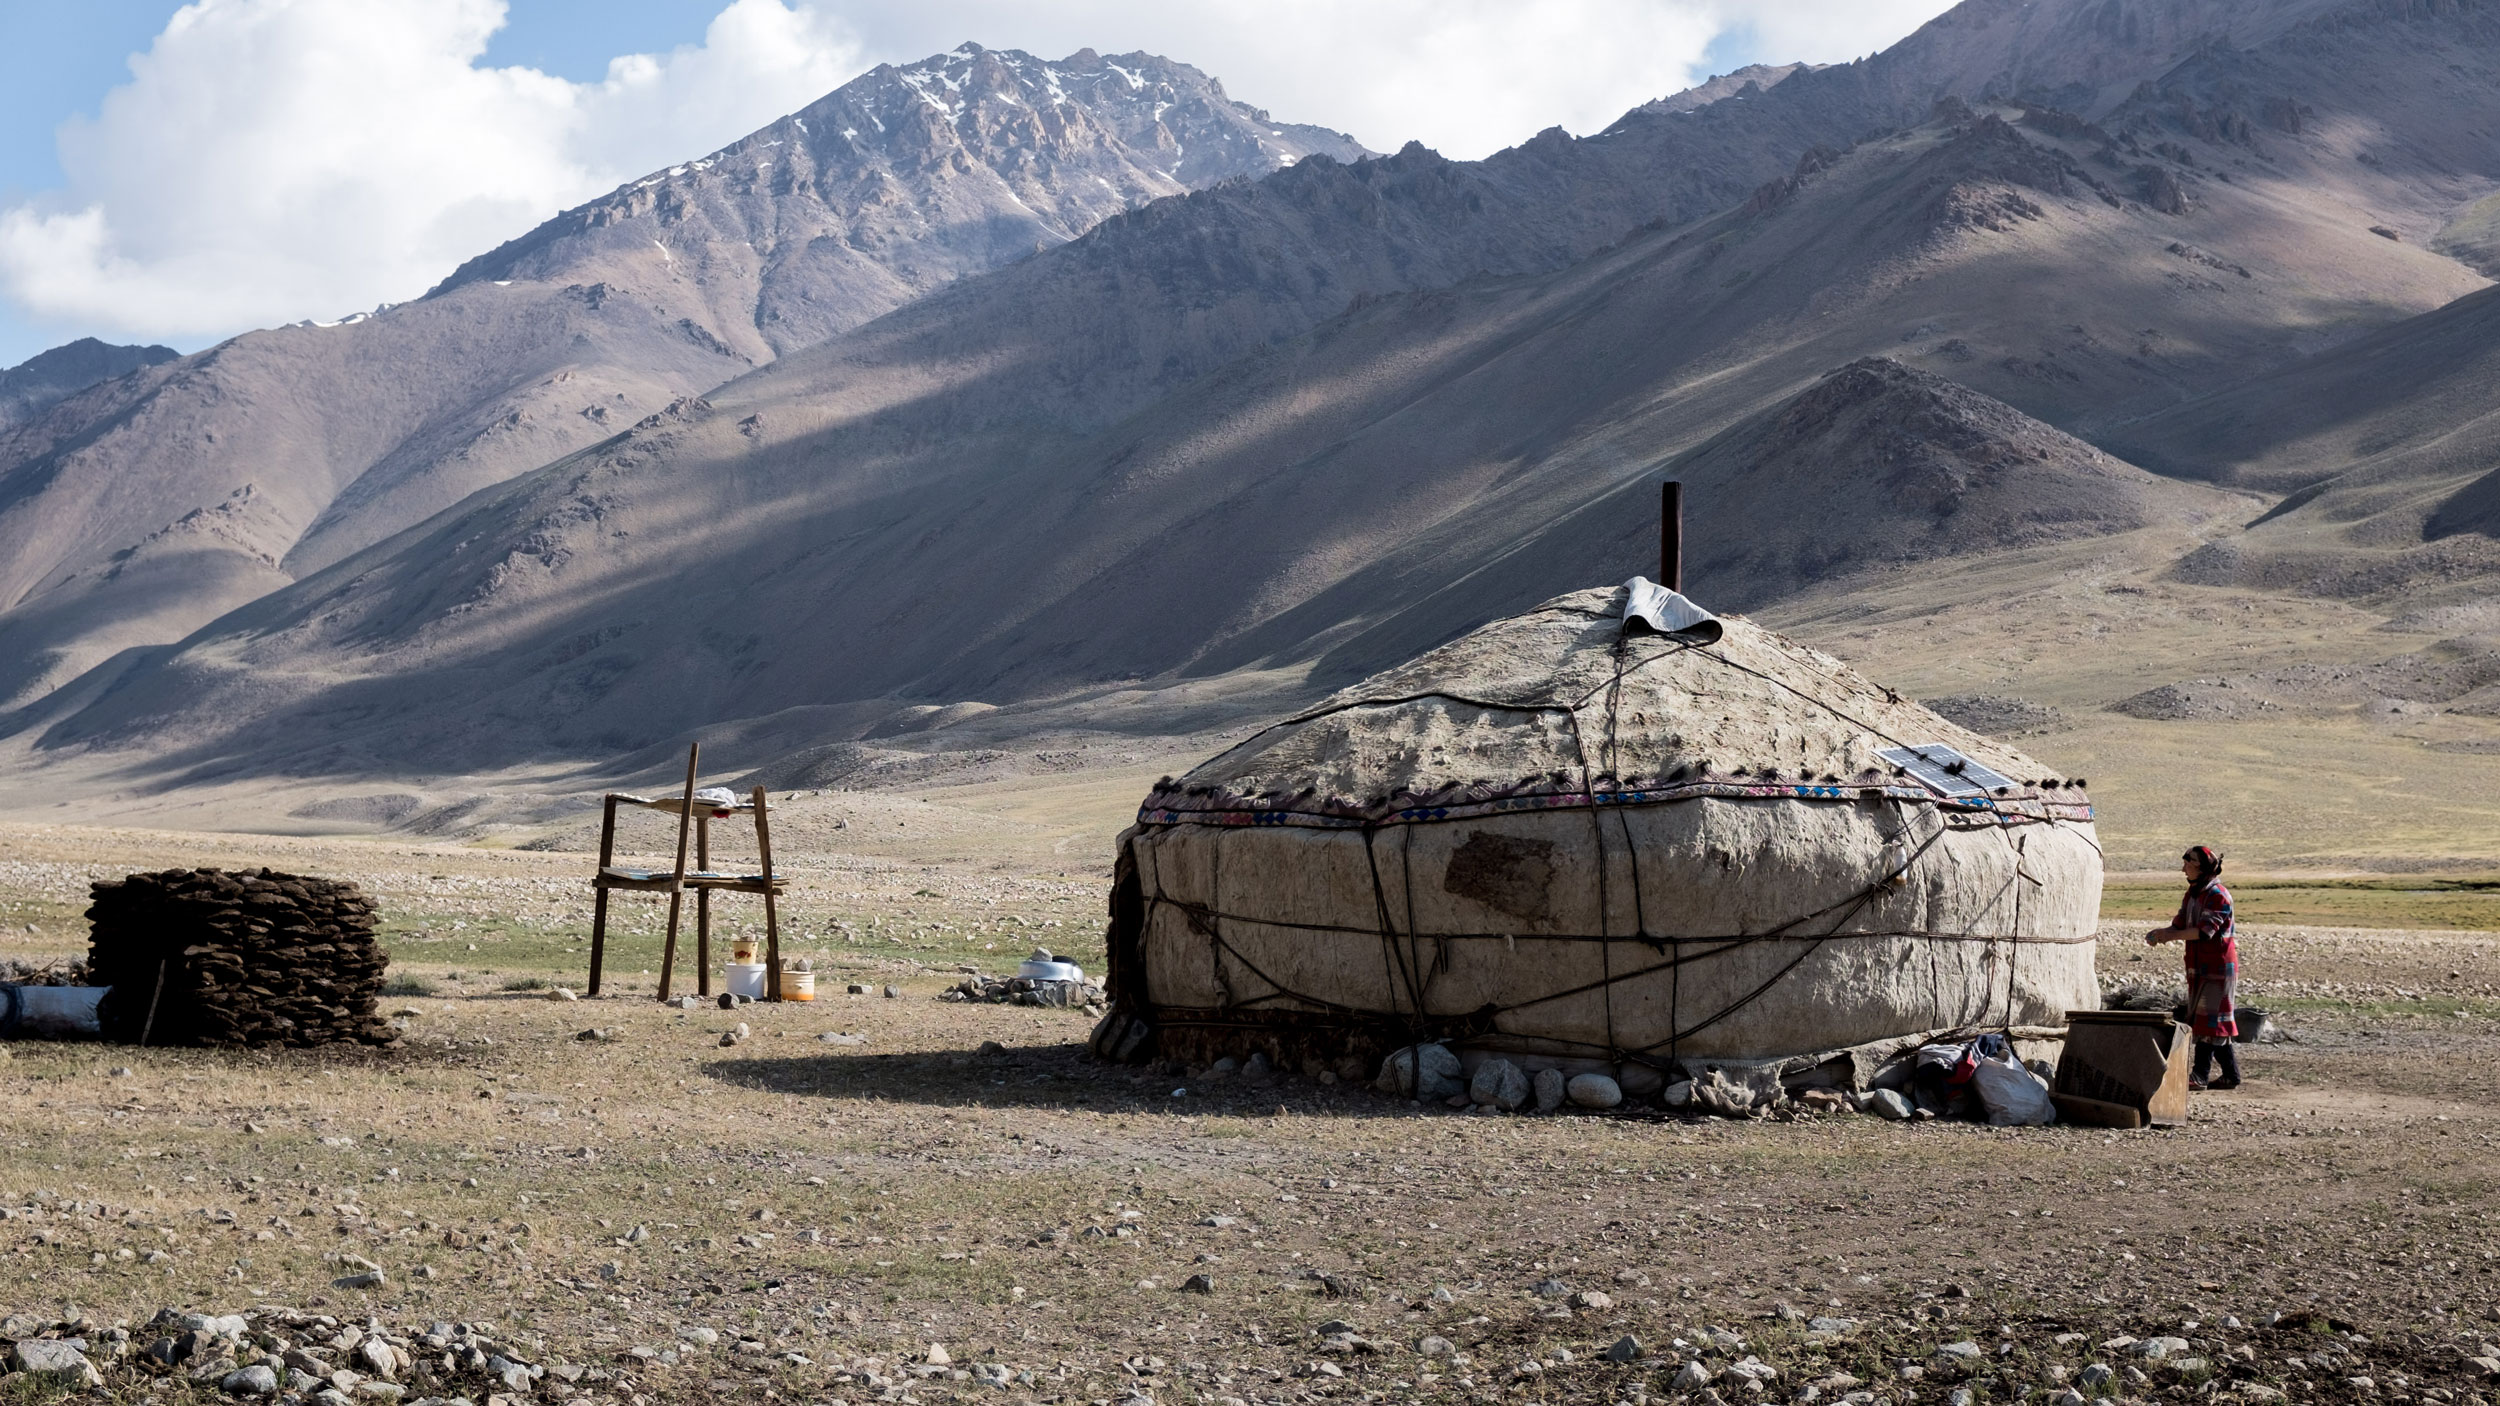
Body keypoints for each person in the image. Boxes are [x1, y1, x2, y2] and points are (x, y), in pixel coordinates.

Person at [2144, 844, 2240, 1090]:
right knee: (2209, 1019)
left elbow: (2204, 932)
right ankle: (2231, 1075)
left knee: (2208, 1021)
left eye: (2189, 862)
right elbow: (2179, 923)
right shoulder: (2193, 894)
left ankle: (2199, 1075)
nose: (2184, 867)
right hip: (2198, 967)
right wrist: (2161, 933)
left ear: (2202, 867)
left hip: (2218, 968)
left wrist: (2170, 936)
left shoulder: (2218, 895)